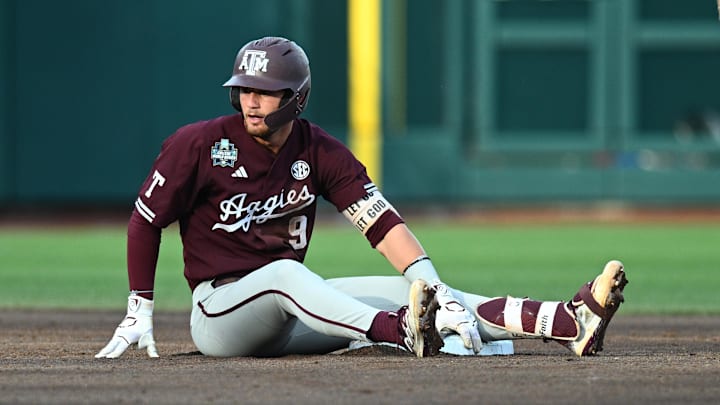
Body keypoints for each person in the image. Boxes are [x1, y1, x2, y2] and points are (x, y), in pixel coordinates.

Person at [96, 36, 628, 359]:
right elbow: (145, 221)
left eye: (266, 92)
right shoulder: (199, 143)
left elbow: (380, 223)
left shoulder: (319, 150)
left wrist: (430, 285)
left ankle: (566, 321)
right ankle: (400, 334)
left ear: (296, 98)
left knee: (420, 289)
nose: (252, 102)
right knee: (287, 274)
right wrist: (139, 305)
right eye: (245, 90)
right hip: (220, 314)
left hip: (291, 315)